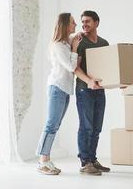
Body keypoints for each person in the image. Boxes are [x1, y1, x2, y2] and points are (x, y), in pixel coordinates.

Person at [36, 13, 80, 175]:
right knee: (51, 124)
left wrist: (79, 37)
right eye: (72, 22)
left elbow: (76, 37)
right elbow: (71, 67)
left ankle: (45, 159)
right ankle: (42, 161)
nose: (75, 24)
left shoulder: (66, 42)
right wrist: (75, 48)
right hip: (57, 88)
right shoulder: (58, 46)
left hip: (65, 89)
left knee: (55, 125)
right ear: (64, 25)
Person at [74, 10, 110, 176]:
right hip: (84, 89)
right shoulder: (80, 42)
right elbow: (75, 67)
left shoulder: (103, 43)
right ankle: (85, 163)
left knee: (96, 128)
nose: (84, 24)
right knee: (87, 127)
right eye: (83, 22)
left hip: (99, 90)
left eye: (88, 21)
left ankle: (92, 159)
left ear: (97, 22)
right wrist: (88, 81)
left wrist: (119, 82)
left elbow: (109, 68)